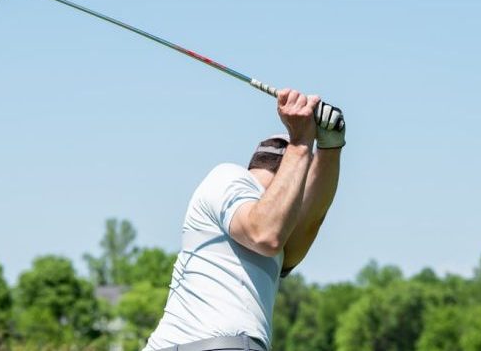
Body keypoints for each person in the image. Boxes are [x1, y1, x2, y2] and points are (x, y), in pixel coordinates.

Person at [142, 88, 345, 351]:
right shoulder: (227, 178)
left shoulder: (280, 248)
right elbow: (265, 234)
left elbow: (311, 220)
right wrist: (300, 143)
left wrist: (331, 148)